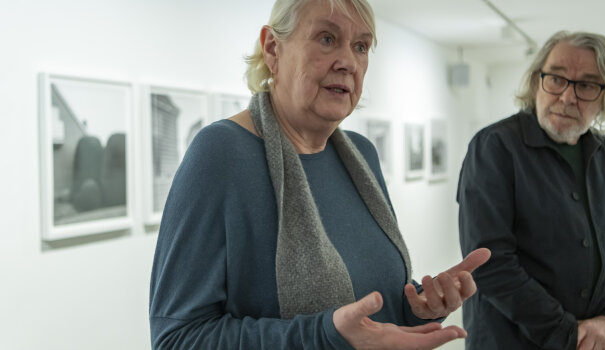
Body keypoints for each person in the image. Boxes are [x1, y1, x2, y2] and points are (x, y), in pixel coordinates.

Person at [149, 0, 490, 349]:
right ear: (272, 48)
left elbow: (368, 313)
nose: (348, 62)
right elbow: (176, 339)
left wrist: (416, 308)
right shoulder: (221, 153)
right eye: (327, 39)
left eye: (361, 46)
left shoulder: (362, 156)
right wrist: (324, 336)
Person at [457, 31, 605, 350]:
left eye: (586, 85)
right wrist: (569, 334)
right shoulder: (495, 148)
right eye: (556, 79)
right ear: (537, 81)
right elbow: (489, 262)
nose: (566, 97)